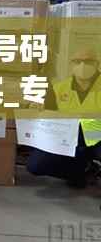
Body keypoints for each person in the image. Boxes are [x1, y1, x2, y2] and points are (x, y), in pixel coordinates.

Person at [27, 47, 101, 188]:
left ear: (97, 64)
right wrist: (38, 108)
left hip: (96, 135)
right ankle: (81, 171)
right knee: (35, 165)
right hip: (67, 136)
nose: (83, 65)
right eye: (78, 61)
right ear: (71, 64)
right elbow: (48, 114)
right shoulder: (59, 88)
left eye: (88, 61)